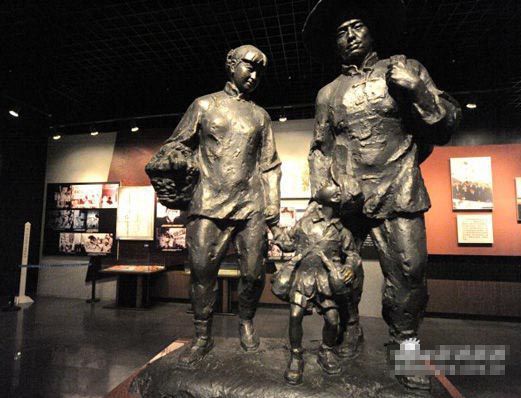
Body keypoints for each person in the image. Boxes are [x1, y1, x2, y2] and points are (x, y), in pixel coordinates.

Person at [303, 0, 461, 390]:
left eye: (356, 26)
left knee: (409, 271)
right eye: (341, 31)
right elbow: (320, 149)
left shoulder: (403, 68)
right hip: (347, 197)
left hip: (398, 188)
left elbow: (445, 125)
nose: (350, 36)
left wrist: (420, 89)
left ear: (372, 30)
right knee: (341, 273)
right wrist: (324, 188)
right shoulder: (328, 93)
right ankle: (348, 332)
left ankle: (406, 346)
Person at [146, 45, 281, 365]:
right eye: (249, 67)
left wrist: (272, 207)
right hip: (207, 203)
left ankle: (246, 323)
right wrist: (179, 158)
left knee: (253, 273)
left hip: (250, 205)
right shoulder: (204, 105)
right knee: (203, 274)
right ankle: (202, 335)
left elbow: (270, 164)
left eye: (259, 71)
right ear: (230, 65)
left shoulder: (260, 116)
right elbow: (175, 145)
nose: (254, 75)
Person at [271, 183, 361, 385]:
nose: (338, 191)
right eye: (333, 190)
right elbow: (288, 242)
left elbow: (353, 254)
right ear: (322, 199)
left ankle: (326, 350)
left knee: (332, 319)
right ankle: (296, 356)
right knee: (295, 316)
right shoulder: (305, 223)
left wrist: (350, 267)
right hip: (303, 277)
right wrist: (275, 231)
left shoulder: (341, 230)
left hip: (326, 280)